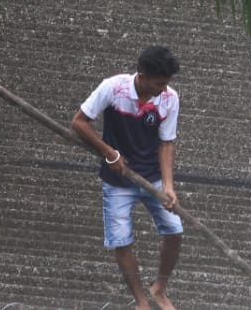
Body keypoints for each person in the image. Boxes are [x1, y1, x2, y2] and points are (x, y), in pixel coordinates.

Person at [70, 46, 183, 310]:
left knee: (175, 232)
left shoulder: (169, 99)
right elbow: (79, 122)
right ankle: (141, 301)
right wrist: (110, 153)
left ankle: (159, 289)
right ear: (142, 76)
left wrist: (168, 186)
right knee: (122, 242)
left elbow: (167, 143)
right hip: (117, 181)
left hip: (153, 179)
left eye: (166, 84)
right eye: (159, 84)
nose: (163, 89)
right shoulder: (113, 88)